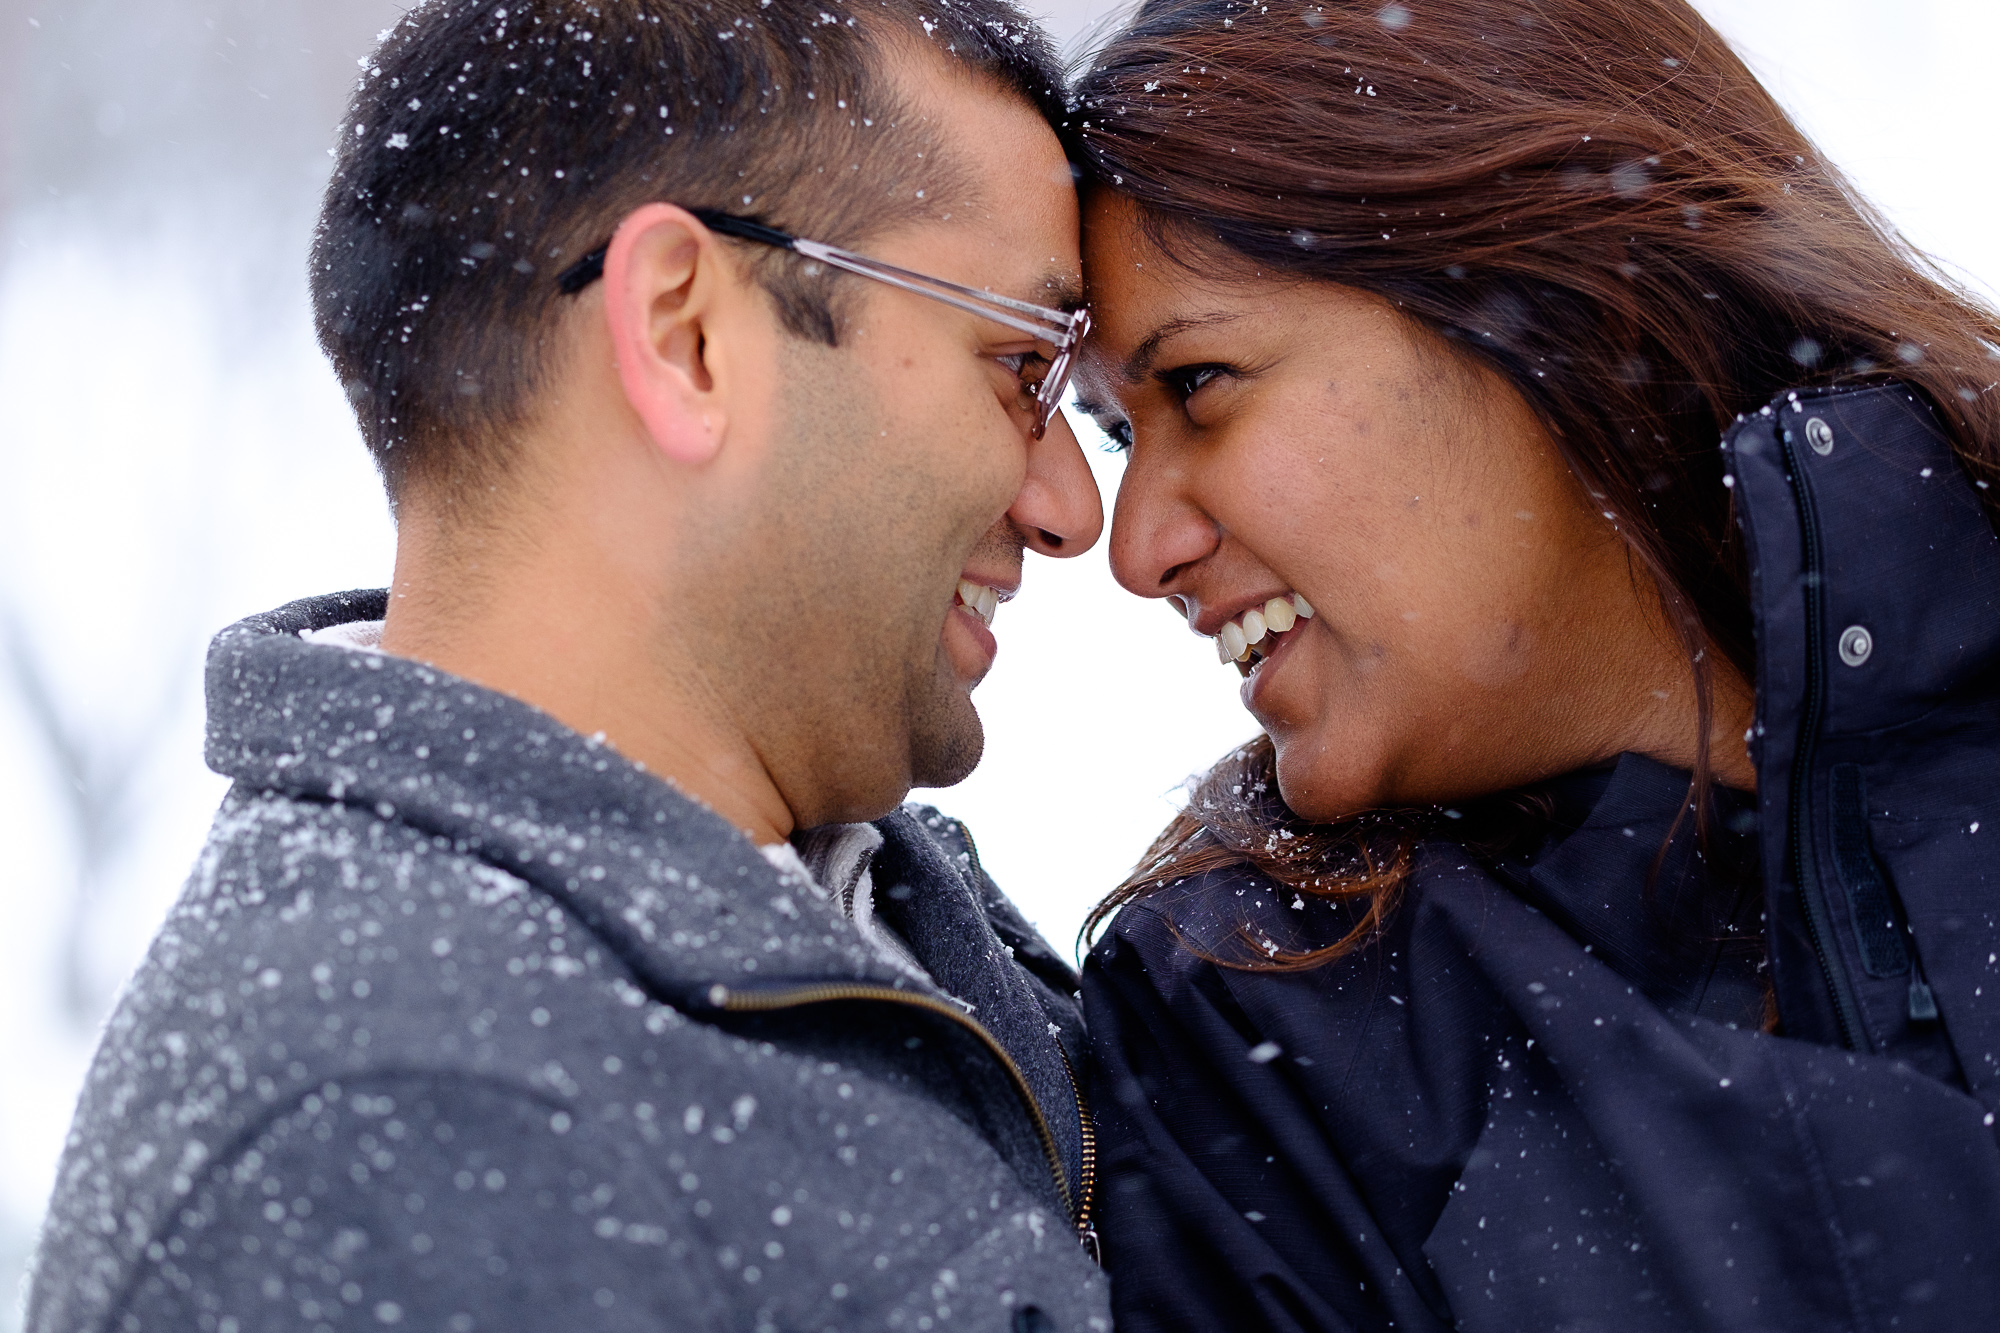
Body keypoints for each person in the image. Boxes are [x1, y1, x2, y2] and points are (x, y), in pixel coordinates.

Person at [27, 2, 1112, 1330]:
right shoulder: (383, 1143)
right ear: (683, 332)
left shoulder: (862, 917)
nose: (1074, 506)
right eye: (1020, 365)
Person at [1065, 1, 2000, 1330]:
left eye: (1202, 383)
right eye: (1116, 436)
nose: (1138, 544)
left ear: (1542, 299)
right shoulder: (1274, 1041)